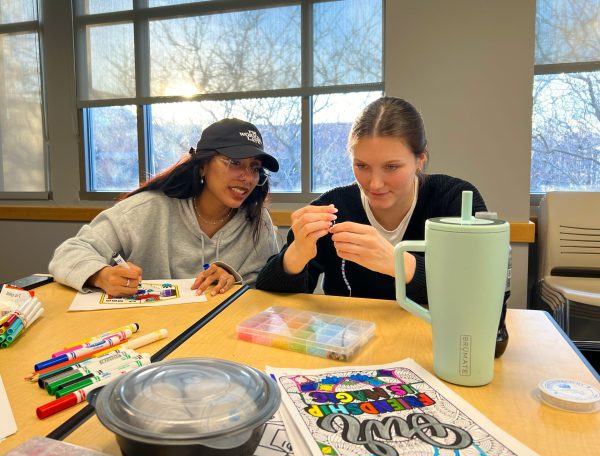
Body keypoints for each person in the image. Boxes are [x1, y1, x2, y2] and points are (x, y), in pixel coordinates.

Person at [256, 97, 487, 302]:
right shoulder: (332, 208)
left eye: (391, 167)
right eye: (362, 166)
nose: (375, 184)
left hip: (431, 341)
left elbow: (481, 291)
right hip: (346, 341)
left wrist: (398, 263)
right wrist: (296, 254)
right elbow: (268, 293)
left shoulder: (455, 200)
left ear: (420, 159)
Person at [49, 118, 280, 297]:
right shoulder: (146, 209)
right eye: (235, 163)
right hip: (149, 332)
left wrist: (232, 279)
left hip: (221, 336)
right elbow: (68, 254)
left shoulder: (258, 222)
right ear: (202, 166)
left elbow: (265, 286)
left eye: (255, 168)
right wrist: (102, 275)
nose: (247, 177)